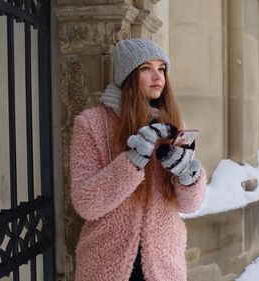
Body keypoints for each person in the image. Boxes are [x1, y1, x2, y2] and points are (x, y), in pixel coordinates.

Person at [70, 39, 207, 281]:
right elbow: (85, 203)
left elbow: (190, 205)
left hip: (164, 265)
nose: (158, 76)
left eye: (161, 68)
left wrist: (188, 174)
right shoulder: (91, 124)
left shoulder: (173, 124)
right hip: (106, 265)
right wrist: (132, 162)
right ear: (128, 75)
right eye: (146, 68)